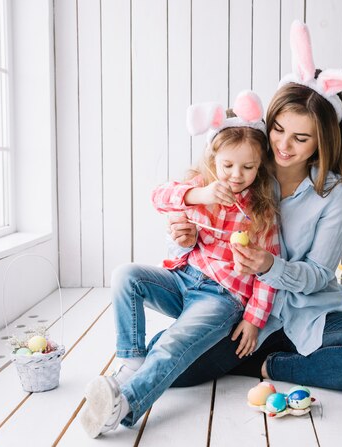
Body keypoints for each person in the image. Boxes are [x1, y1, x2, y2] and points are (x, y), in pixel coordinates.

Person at [165, 20, 342, 393]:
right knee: (168, 365)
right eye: (278, 129)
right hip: (241, 311)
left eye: (300, 138)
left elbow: (316, 274)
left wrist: (270, 266)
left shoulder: (335, 195)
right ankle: (247, 354)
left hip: (307, 317)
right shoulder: (243, 166)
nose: (282, 145)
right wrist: (185, 237)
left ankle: (270, 367)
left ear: (324, 140)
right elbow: (201, 234)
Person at [80, 90, 280, 438]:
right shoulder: (202, 187)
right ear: (213, 158)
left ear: (260, 165)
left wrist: (253, 319)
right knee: (125, 275)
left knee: (173, 344)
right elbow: (159, 196)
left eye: (248, 167)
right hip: (183, 280)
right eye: (227, 166)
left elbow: (267, 274)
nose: (236, 175)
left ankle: (124, 405)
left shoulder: (261, 211)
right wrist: (196, 195)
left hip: (222, 298)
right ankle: (131, 361)